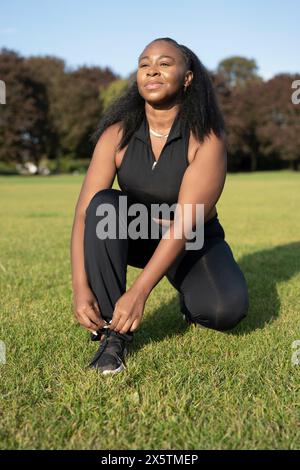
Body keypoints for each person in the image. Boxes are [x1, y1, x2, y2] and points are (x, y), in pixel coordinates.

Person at [70, 37, 249, 375]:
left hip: (191, 238)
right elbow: (83, 214)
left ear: (187, 77)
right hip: (136, 232)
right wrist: (81, 287)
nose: (152, 69)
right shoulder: (116, 134)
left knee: (226, 311)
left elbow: (185, 222)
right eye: (144, 63)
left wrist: (140, 291)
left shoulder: (207, 138)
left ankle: (188, 297)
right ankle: (114, 335)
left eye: (165, 63)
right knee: (104, 205)